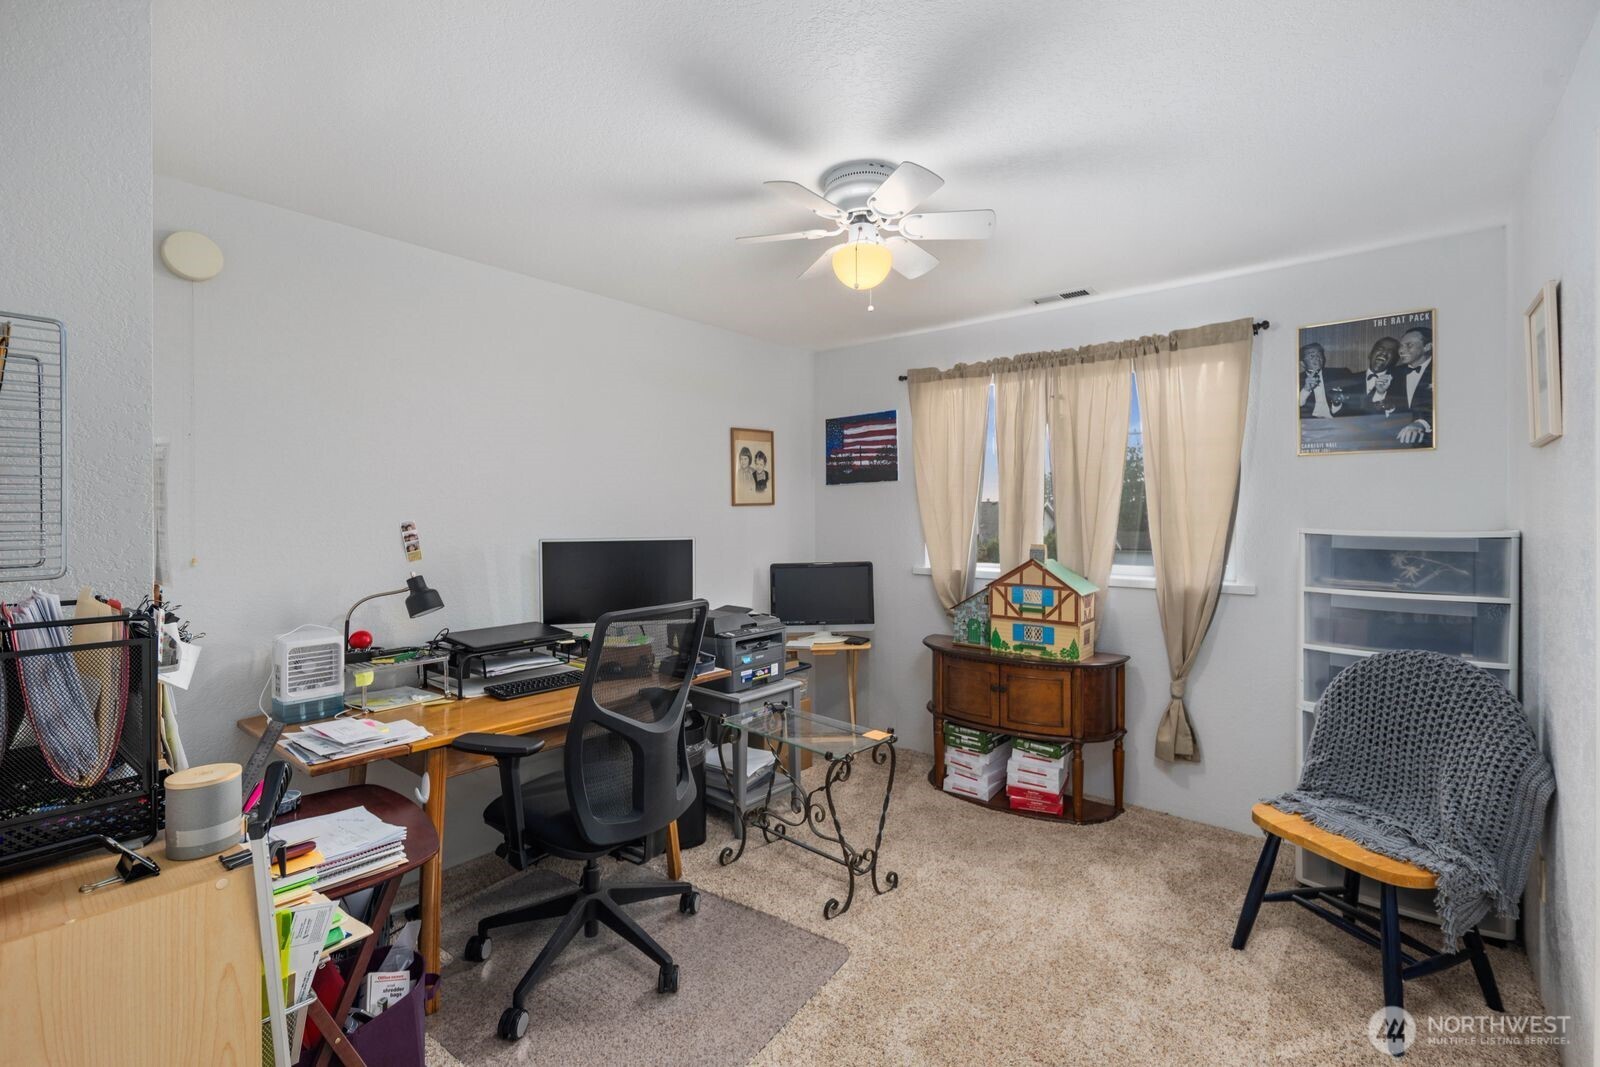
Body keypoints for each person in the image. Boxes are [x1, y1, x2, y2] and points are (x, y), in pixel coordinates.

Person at [1392, 326, 1434, 445]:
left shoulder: (1441, 370)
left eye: (1409, 345)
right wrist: (1381, 392)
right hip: (1397, 441)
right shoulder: (1393, 373)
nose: (1401, 350)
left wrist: (1421, 423)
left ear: (1427, 347)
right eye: (1401, 345)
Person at [1298, 343, 1353, 418]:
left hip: (1336, 420)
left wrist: (1337, 403)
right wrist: (1306, 389)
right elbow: (1293, 406)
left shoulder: (1340, 374)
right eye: (1312, 356)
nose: (1317, 358)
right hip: (1309, 423)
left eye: (1319, 354)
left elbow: (1352, 401)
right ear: (1302, 363)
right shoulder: (1296, 380)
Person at [1360, 337, 1403, 413]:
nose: (1384, 353)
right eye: (1380, 349)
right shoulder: (1349, 379)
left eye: (1390, 351)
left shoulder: (1401, 384)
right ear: (1370, 354)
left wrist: (1380, 394)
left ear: (1395, 360)